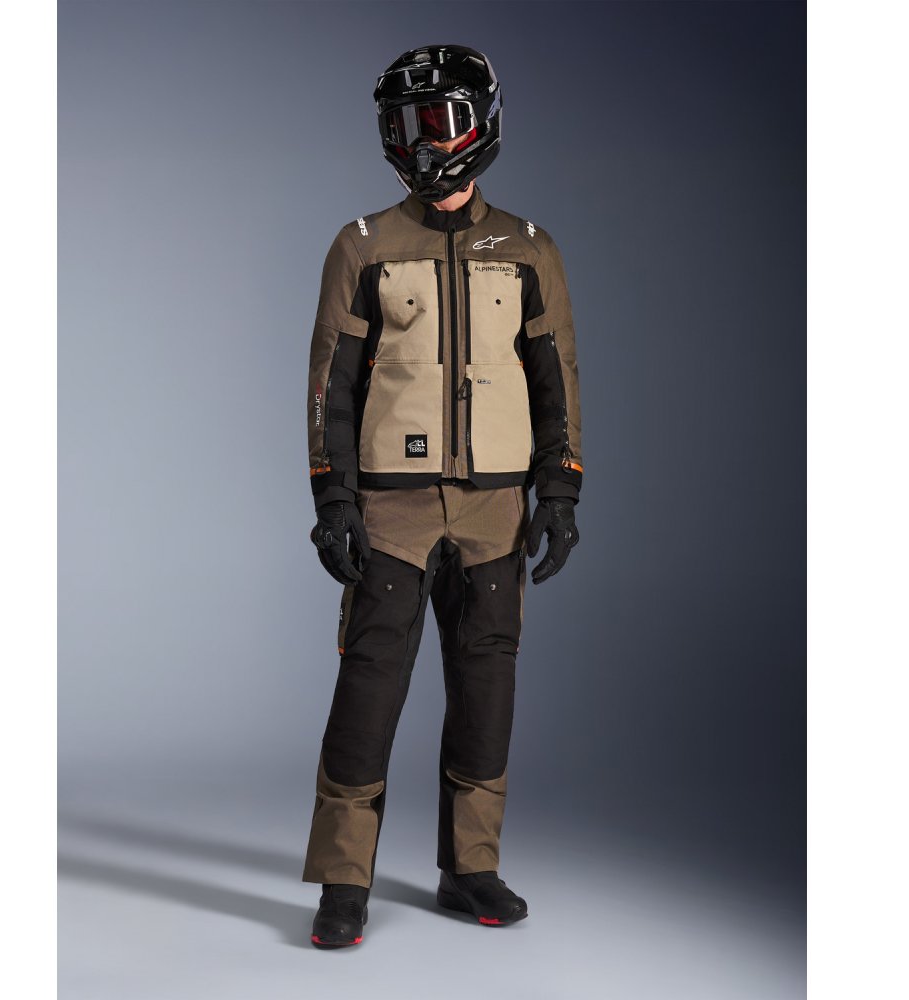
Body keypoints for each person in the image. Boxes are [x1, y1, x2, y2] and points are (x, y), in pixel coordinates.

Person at [302, 43, 584, 948]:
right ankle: (343, 882)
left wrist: (561, 490)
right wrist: (334, 500)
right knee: (369, 690)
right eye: (404, 124)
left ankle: (470, 867)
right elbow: (331, 387)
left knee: (486, 687)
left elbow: (557, 380)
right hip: (391, 510)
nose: (421, 141)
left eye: (437, 120)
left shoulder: (531, 249)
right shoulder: (362, 246)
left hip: (498, 510)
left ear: (481, 122)